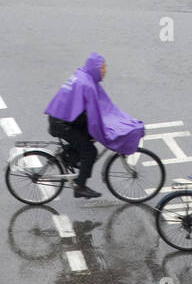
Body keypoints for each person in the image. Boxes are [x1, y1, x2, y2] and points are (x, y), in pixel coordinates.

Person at [44, 53, 144, 200]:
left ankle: (71, 157)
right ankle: (80, 186)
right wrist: (107, 132)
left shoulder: (83, 76)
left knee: (88, 138)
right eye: (102, 68)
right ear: (95, 68)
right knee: (90, 152)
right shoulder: (87, 84)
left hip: (62, 118)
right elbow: (95, 115)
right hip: (63, 124)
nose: (105, 71)